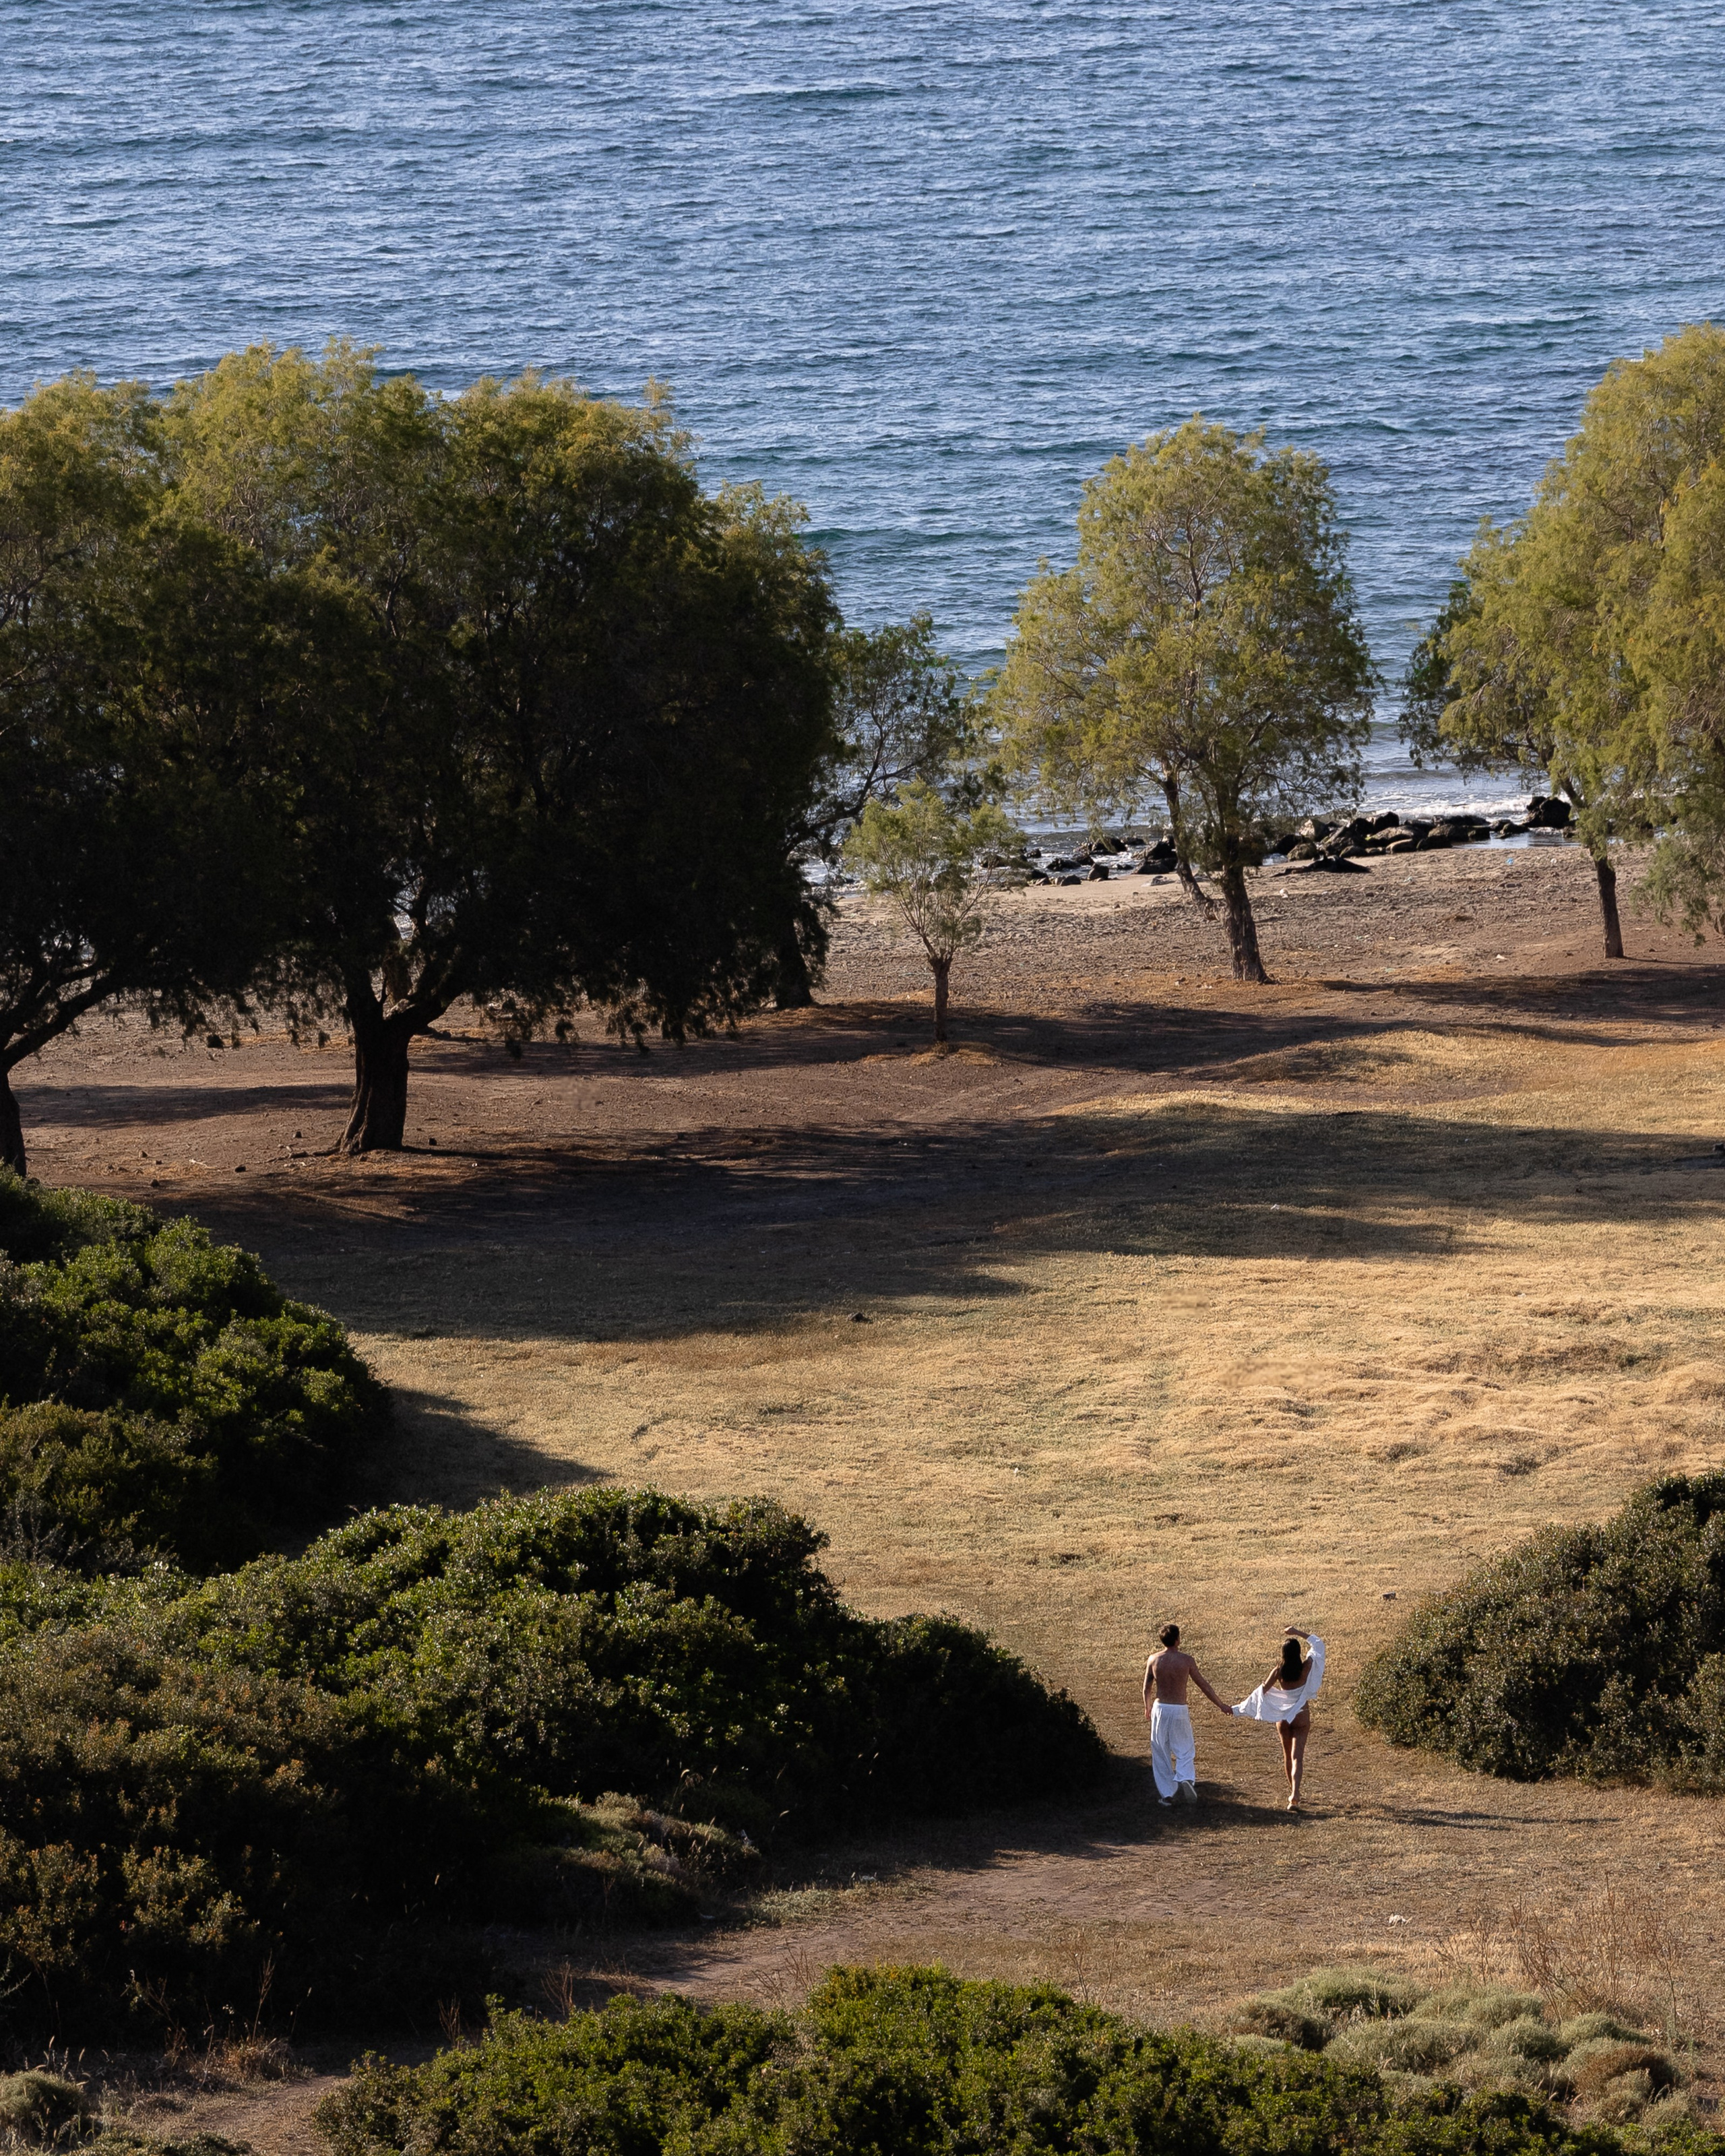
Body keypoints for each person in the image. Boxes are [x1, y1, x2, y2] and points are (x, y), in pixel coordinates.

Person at [1143, 1622, 1234, 1807]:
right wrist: (1220, 1705)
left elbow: (1147, 1687)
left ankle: (1167, 1794)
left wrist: (1147, 1707)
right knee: (1185, 1748)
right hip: (1179, 1709)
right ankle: (1185, 1776)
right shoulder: (1186, 1660)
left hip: (1160, 1709)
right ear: (1178, 1640)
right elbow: (1204, 1685)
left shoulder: (1153, 1659)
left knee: (1161, 1751)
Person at [1232, 1628, 1325, 1810]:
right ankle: (1295, 1795)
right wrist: (1297, 1632)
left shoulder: (1279, 1671)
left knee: (1287, 1756)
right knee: (1298, 1757)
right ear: (1298, 1653)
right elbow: (1318, 1644)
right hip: (1301, 1715)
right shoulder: (1306, 1667)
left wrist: (1238, 1709)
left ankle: (1292, 1793)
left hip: (1283, 1718)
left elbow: (1262, 1692)